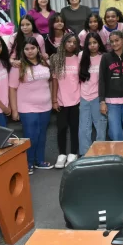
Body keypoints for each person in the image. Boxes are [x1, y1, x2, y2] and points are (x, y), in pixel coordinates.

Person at [9, 37, 53, 173]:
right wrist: (14, 110)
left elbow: (50, 82)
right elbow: (12, 89)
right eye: (26, 49)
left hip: (45, 106)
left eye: (32, 48)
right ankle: (28, 163)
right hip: (27, 107)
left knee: (42, 135)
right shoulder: (18, 67)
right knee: (31, 135)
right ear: (23, 51)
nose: (30, 51)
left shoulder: (46, 63)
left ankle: (39, 161)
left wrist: (53, 100)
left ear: (38, 49)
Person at [99, 31, 123, 141]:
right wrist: (102, 101)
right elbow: (101, 80)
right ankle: (118, 152)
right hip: (112, 102)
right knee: (115, 133)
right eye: (112, 41)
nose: (114, 43)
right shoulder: (105, 57)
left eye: (117, 40)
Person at [51, 34, 81, 169]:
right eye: (69, 41)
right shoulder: (56, 59)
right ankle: (62, 154)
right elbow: (55, 81)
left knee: (75, 128)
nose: (71, 44)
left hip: (76, 100)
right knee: (61, 128)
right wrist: (54, 100)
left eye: (74, 42)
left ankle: (73, 153)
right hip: (61, 101)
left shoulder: (79, 58)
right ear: (63, 43)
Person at [78, 33, 107, 155]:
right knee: (84, 128)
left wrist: (103, 99)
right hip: (84, 96)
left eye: (95, 42)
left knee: (101, 127)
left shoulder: (104, 57)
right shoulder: (81, 55)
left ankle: (100, 154)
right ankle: (85, 155)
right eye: (89, 43)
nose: (92, 45)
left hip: (98, 97)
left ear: (99, 43)